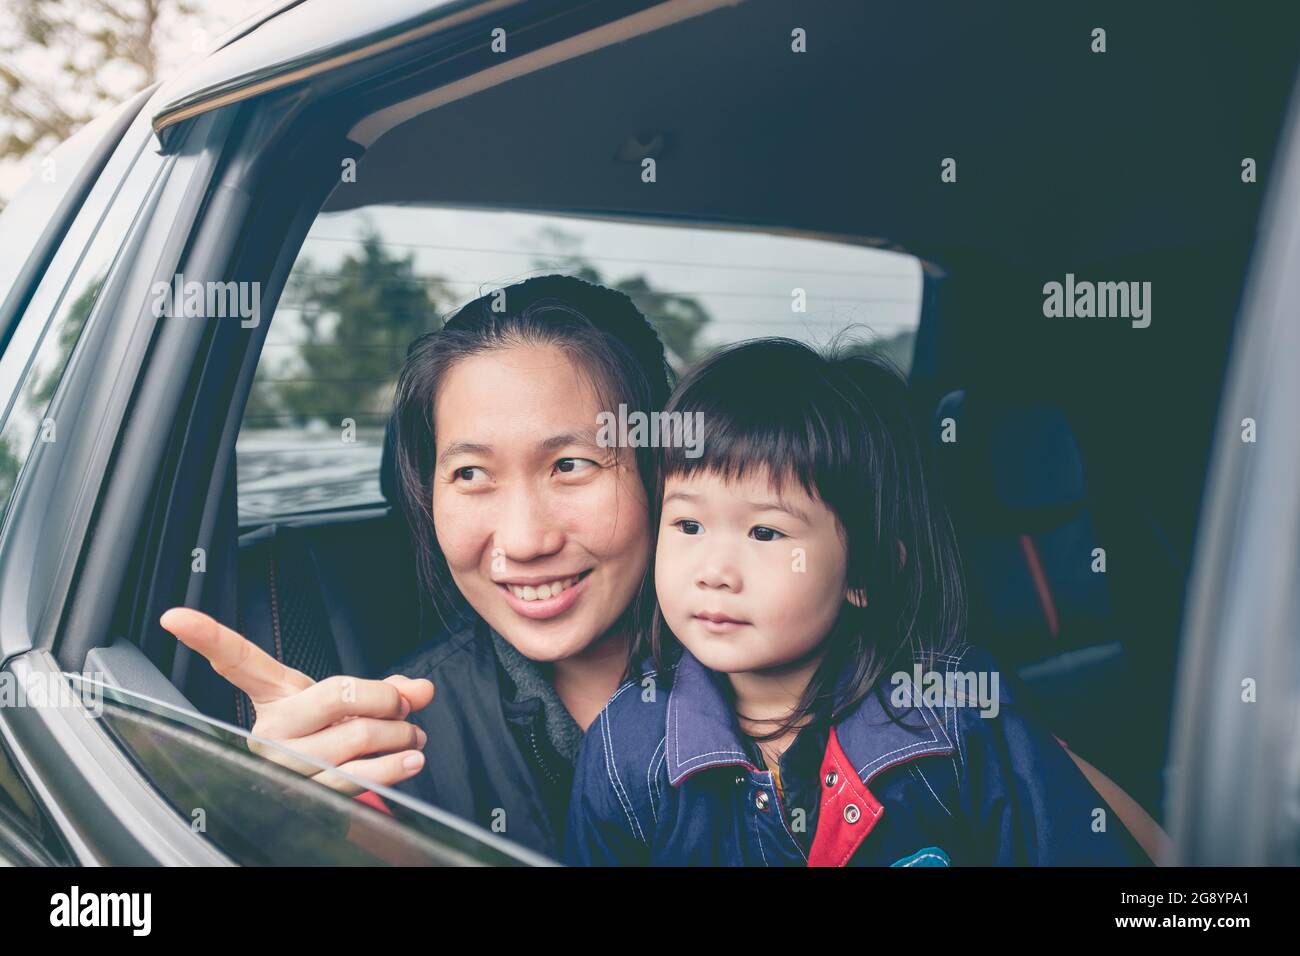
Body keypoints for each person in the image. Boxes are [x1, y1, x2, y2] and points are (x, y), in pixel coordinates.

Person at [563, 338, 1153, 866]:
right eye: (688, 524)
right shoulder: (627, 750)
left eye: (765, 534)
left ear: (864, 571)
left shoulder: (953, 712)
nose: (713, 572)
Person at [161, 274, 672, 859]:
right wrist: (286, 818)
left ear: (661, 474)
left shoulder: (783, 685)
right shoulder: (391, 750)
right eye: (471, 474)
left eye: (571, 464)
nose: (526, 541)